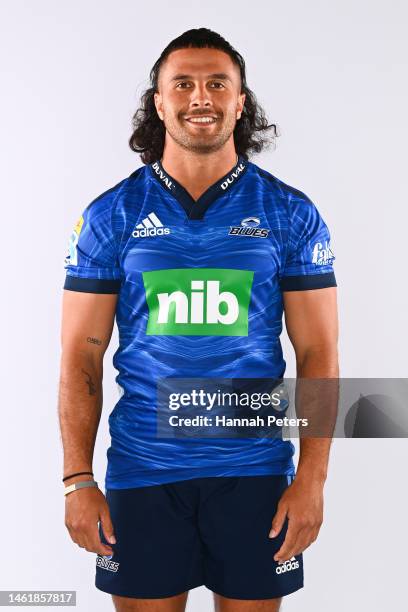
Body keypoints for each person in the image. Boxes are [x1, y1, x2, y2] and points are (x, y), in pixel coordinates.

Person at [58, 28, 339, 612]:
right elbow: (80, 357)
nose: (201, 97)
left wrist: (311, 480)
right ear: (158, 103)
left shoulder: (289, 213)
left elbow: (319, 356)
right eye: (182, 83)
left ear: (241, 101)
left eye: (218, 83)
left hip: (256, 474)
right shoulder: (112, 215)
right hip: (142, 472)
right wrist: (78, 479)